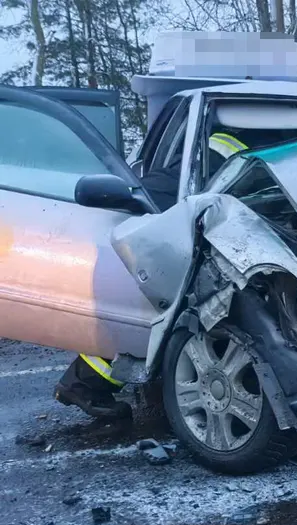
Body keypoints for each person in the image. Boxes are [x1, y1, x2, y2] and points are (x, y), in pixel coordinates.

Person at [55, 130, 250, 420]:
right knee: (147, 318)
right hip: (155, 236)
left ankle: (82, 382)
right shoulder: (227, 164)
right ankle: (80, 385)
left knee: (144, 318)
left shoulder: (216, 150)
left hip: (159, 232)